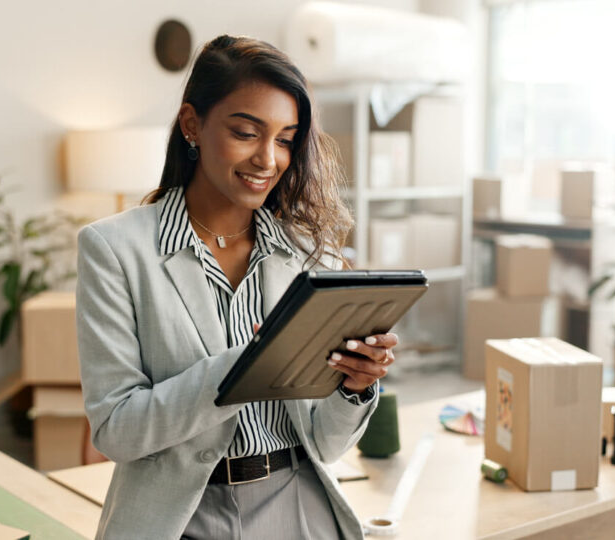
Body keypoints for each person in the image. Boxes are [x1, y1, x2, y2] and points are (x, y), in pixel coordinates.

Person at [75, 35, 398, 539]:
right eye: (247, 132)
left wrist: (355, 387)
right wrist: (242, 367)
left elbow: (326, 445)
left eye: (286, 139)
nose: (268, 159)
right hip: (179, 518)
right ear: (192, 126)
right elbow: (117, 430)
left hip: (297, 507)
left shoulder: (312, 252)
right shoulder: (114, 249)